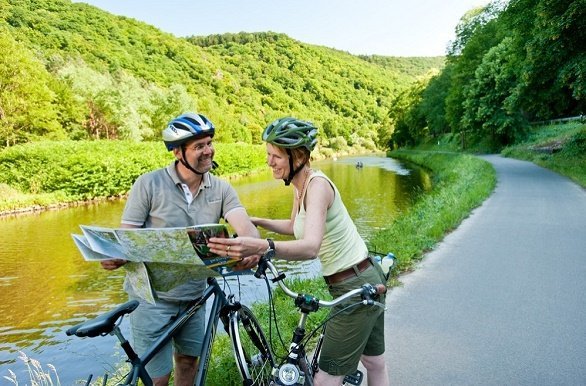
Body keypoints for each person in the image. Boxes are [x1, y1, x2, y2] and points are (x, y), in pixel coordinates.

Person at [207, 117, 390, 386]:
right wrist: (256, 221)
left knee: (325, 380)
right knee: (375, 363)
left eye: (276, 156)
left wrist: (263, 246)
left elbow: (310, 247)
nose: (269, 162)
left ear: (299, 156)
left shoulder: (317, 187)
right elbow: (295, 226)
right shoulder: (301, 187)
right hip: (363, 276)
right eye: (268, 155)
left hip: (355, 287)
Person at [100, 112, 260, 386]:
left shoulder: (221, 189)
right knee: (157, 379)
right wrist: (115, 255)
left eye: (209, 143)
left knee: (188, 362)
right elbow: (126, 237)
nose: (208, 151)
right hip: (152, 299)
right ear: (177, 152)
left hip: (194, 297)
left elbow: (245, 227)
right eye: (199, 146)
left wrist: (253, 247)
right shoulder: (148, 184)